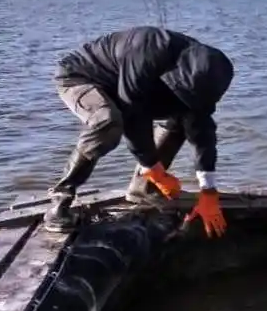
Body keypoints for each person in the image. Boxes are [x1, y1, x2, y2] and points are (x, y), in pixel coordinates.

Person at [45, 25, 234, 235]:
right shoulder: (146, 51)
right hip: (81, 76)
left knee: (185, 118)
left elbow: (202, 133)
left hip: (133, 85)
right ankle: (60, 200)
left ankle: (143, 190)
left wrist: (208, 192)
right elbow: (134, 118)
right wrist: (156, 170)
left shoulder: (206, 77)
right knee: (107, 121)